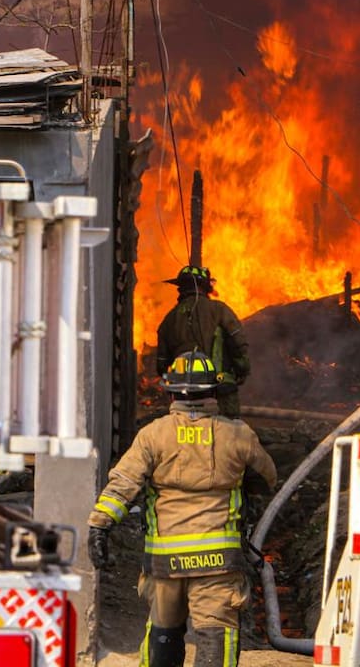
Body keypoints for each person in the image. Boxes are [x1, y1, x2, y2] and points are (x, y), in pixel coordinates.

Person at [87, 351, 277, 667]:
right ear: (214, 391)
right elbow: (267, 477)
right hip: (217, 561)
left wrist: (100, 526)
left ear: (171, 391)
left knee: (163, 630)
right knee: (216, 634)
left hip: (165, 562)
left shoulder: (153, 435)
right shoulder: (238, 434)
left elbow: (124, 484)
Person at [155, 265, 250, 418]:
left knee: (186, 437)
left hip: (183, 396)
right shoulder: (219, 310)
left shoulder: (168, 320)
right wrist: (242, 370)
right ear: (205, 287)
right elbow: (238, 343)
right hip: (220, 391)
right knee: (225, 434)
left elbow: (161, 366)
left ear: (180, 289)